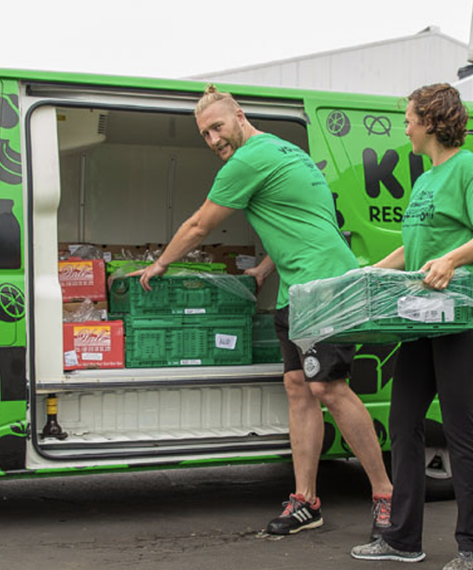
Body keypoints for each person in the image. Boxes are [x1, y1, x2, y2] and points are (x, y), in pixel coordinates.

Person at [136, 85, 394, 537]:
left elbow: (199, 225)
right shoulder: (286, 151)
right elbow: (299, 221)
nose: (213, 139)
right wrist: (263, 269)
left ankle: (386, 495)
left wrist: (161, 263)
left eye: (217, 127)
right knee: (298, 387)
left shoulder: (249, 160)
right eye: (205, 134)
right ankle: (306, 501)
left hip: (326, 286)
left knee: (328, 387)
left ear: (239, 115)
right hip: (297, 290)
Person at [348, 83, 473, 570]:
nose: (405, 128)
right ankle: (402, 538)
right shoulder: (424, 180)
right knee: (403, 422)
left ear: (431, 122)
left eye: (409, 119)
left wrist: (453, 259)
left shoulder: (469, 168)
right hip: (422, 314)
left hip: (465, 312)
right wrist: (371, 272)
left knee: (459, 425)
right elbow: (416, 248)